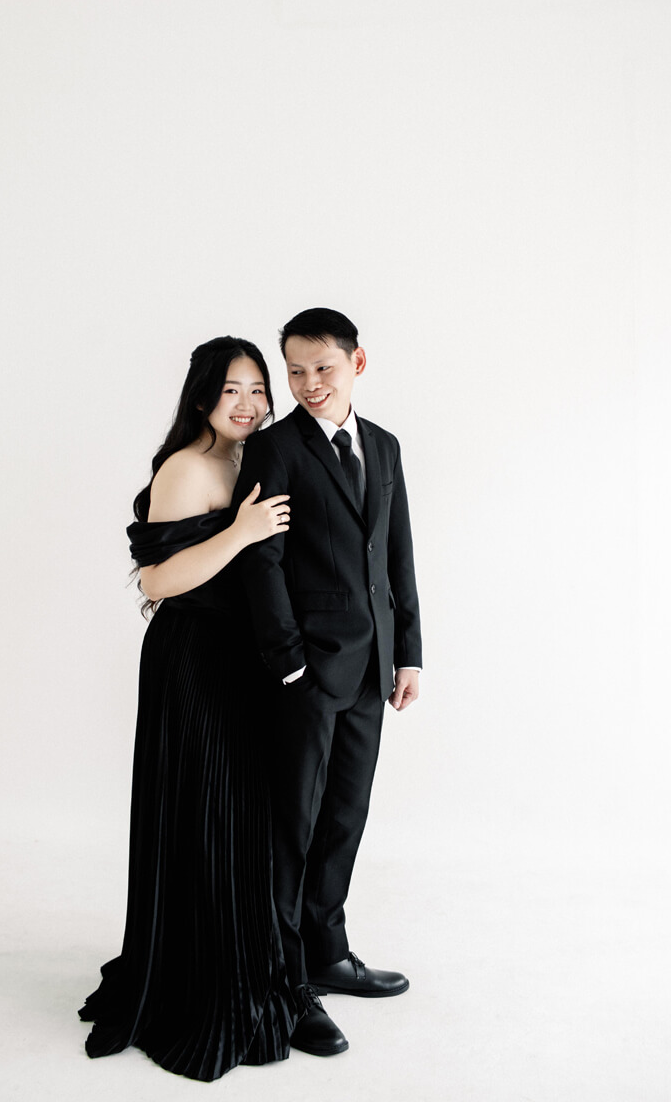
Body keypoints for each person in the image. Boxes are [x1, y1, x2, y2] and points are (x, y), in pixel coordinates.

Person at [79, 336, 295, 1081]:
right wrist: (240, 532)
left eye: (258, 390)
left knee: (243, 815)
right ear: (203, 397)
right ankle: (194, 984)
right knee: (204, 810)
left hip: (245, 662)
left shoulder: (252, 460)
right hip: (194, 660)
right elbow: (158, 582)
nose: (248, 404)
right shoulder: (187, 467)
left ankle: (245, 965)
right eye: (232, 390)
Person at [234, 308, 422, 1057]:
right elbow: (263, 560)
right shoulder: (274, 448)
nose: (309, 383)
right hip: (306, 674)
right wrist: (289, 662)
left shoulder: (385, 445)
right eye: (296, 371)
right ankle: (284, 982)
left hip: (371, 670)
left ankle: (328, 953)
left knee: (345, 815)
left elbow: (397, 553)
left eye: (324, 368)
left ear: (357, 364)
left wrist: (409, 653)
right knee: (293, 826)